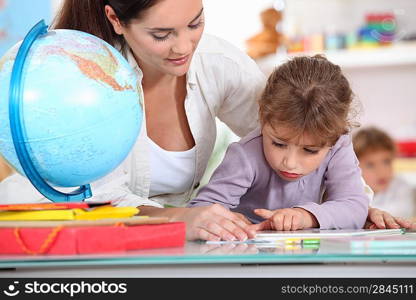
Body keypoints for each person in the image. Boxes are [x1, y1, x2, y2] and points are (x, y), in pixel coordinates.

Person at [0, 0, 411, 240]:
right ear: (115, 20)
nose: (184, 47)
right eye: (162, 34)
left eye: (195, 23)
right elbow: (99, 200)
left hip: (178, 237)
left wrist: (352, 206)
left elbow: (304, 128)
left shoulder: (219, 63)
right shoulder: (81, 82)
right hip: (70, 226)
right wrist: (183, 218)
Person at [187, 55, 402, 231]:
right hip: (248, 253)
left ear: (335, 137)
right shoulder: (245, 155)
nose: (289, 163)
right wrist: (229, 224)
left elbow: (354, 206)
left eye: (310, 150)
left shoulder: (338, 147)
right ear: (263, 117)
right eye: (279, 144)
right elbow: (202, 210)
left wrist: (305, 216)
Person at [353, 127, 416, 219]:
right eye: (370, 165)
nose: (381, 171)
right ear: (355, 167)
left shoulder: (401, 186)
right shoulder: (353, 190)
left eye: (386, 162)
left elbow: (402, 211)